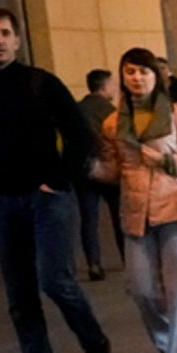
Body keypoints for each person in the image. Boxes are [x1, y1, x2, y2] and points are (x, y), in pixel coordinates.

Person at [0, 8, 112, 353]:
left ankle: (93, 339)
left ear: (18, 40)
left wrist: (59, 180)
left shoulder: (42, 84)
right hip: (4, 205)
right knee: (20, 295)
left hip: (49, 199)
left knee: (55, 280)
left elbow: (80, 134)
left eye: (6, 32)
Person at [90, 48, 177, 353]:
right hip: (134, 215)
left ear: (156, 76)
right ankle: (168, 343)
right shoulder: (113, 123)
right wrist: (88, 167)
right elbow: (115, 169)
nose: (137, 78)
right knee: (142, 290)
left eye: (144, 71)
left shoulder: (176, 113)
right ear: (122, 77)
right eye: (130, 72)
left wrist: (168, 162)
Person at [75, 68, 125, 280]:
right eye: (112, 84)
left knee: (88, 218)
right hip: (108, 170)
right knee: (119, 215)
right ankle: (128, 259)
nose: (114, 88)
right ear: (104, 86)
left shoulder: (77, 108)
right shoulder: (110, 111)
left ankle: (93, 263)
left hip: (84, 171)